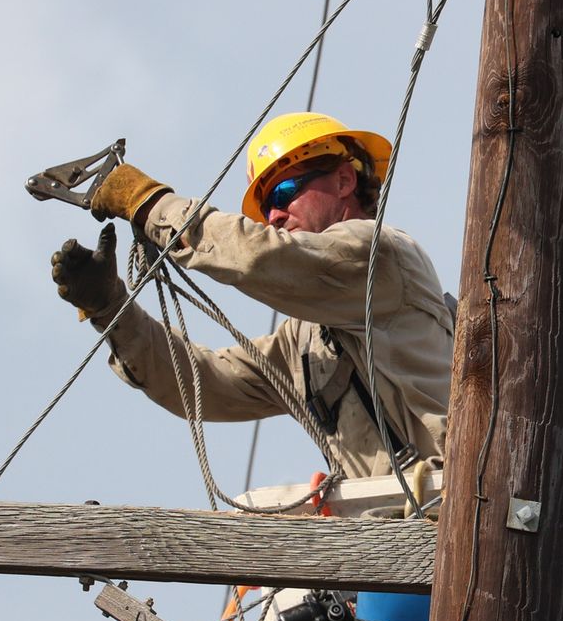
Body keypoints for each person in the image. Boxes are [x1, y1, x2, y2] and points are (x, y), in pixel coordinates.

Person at [49, 112, 454, 480]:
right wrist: (111, 309)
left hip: (453, 506)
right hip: (395, 534)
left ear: (344, 180)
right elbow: (204, 382)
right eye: (264, 208)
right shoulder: (306, 341)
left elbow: (260, 255)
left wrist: (150, 204)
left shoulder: (380, 256)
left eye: (284, 193)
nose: (273, 215)